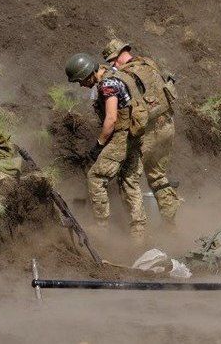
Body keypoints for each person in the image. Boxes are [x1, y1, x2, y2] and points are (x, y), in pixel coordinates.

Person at [65, 52, 147, 237]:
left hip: (121, 137)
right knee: (129, 181)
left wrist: (99, 145)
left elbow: (111, 119)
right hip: (134, 136)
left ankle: (102, 229)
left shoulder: (107, 84)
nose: (81, 85)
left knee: (95, 177)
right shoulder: (115, 74)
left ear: (88, 73)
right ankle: (139, 233)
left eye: (80, 80)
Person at [102, 39, 182, 224]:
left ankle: (138, 232)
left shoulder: (124, 77)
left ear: (121, 55)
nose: (113, 65)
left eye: (113, 61)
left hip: (148, 133)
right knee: (158, 177)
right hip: (167, 127)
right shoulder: (149, 63)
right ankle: (171, 225)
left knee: (129, 178)